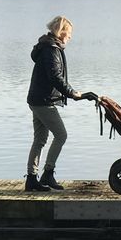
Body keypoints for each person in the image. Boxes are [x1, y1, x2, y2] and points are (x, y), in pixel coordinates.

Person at [25, 15, 94, 192]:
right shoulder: (51, 49)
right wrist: (71, 93)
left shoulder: (47, 45)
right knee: (61, 135)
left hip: (37, 99)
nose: (70, 37)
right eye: (69, 33)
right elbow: (55, 77)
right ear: (61, 32)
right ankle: (48, 173)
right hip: (44, 102)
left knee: (40, 139)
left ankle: (32, 179)